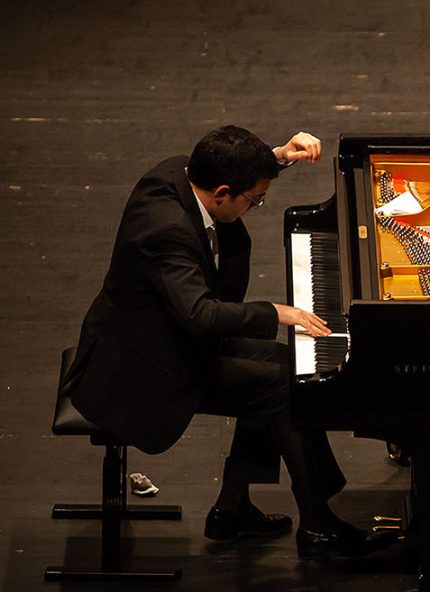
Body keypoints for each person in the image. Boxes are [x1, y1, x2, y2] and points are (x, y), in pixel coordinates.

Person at [61, 125, 396, 558]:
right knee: (282, 386)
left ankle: (233, 508)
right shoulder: (167, 231)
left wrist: (275, 158)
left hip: (159, 337)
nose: (256, 205)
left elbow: (227, 174)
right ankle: (317, 524)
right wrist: (277, 312)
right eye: (254, 200)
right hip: (140, 367)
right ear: (221, 193)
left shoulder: (174, 175)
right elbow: (200, 316)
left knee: (279, 364)